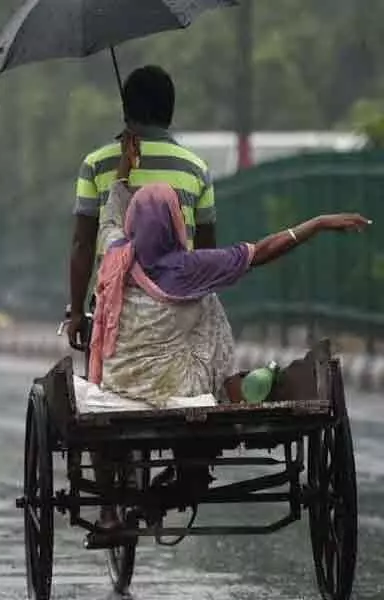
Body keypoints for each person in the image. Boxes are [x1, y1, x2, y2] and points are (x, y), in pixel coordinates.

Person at [87, 131, 370, 526]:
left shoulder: (116, 252)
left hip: (122, 384)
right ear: (173, 224)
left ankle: (114, 510)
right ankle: (185, 470)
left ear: (135, 226)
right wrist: (317, 223)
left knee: (201, 303)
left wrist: (125, 165)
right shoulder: (191, 267)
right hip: (179, 388)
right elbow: (263, 251)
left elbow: (111, 215)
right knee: (209, 301)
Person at [69, 65, 216, 348]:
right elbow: (206, 252)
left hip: (113, 313)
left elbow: (82, 244)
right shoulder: (197, 170)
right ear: (170, 112)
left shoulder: (96, 165)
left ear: (126, 110)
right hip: (176, 310)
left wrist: (75, 312)